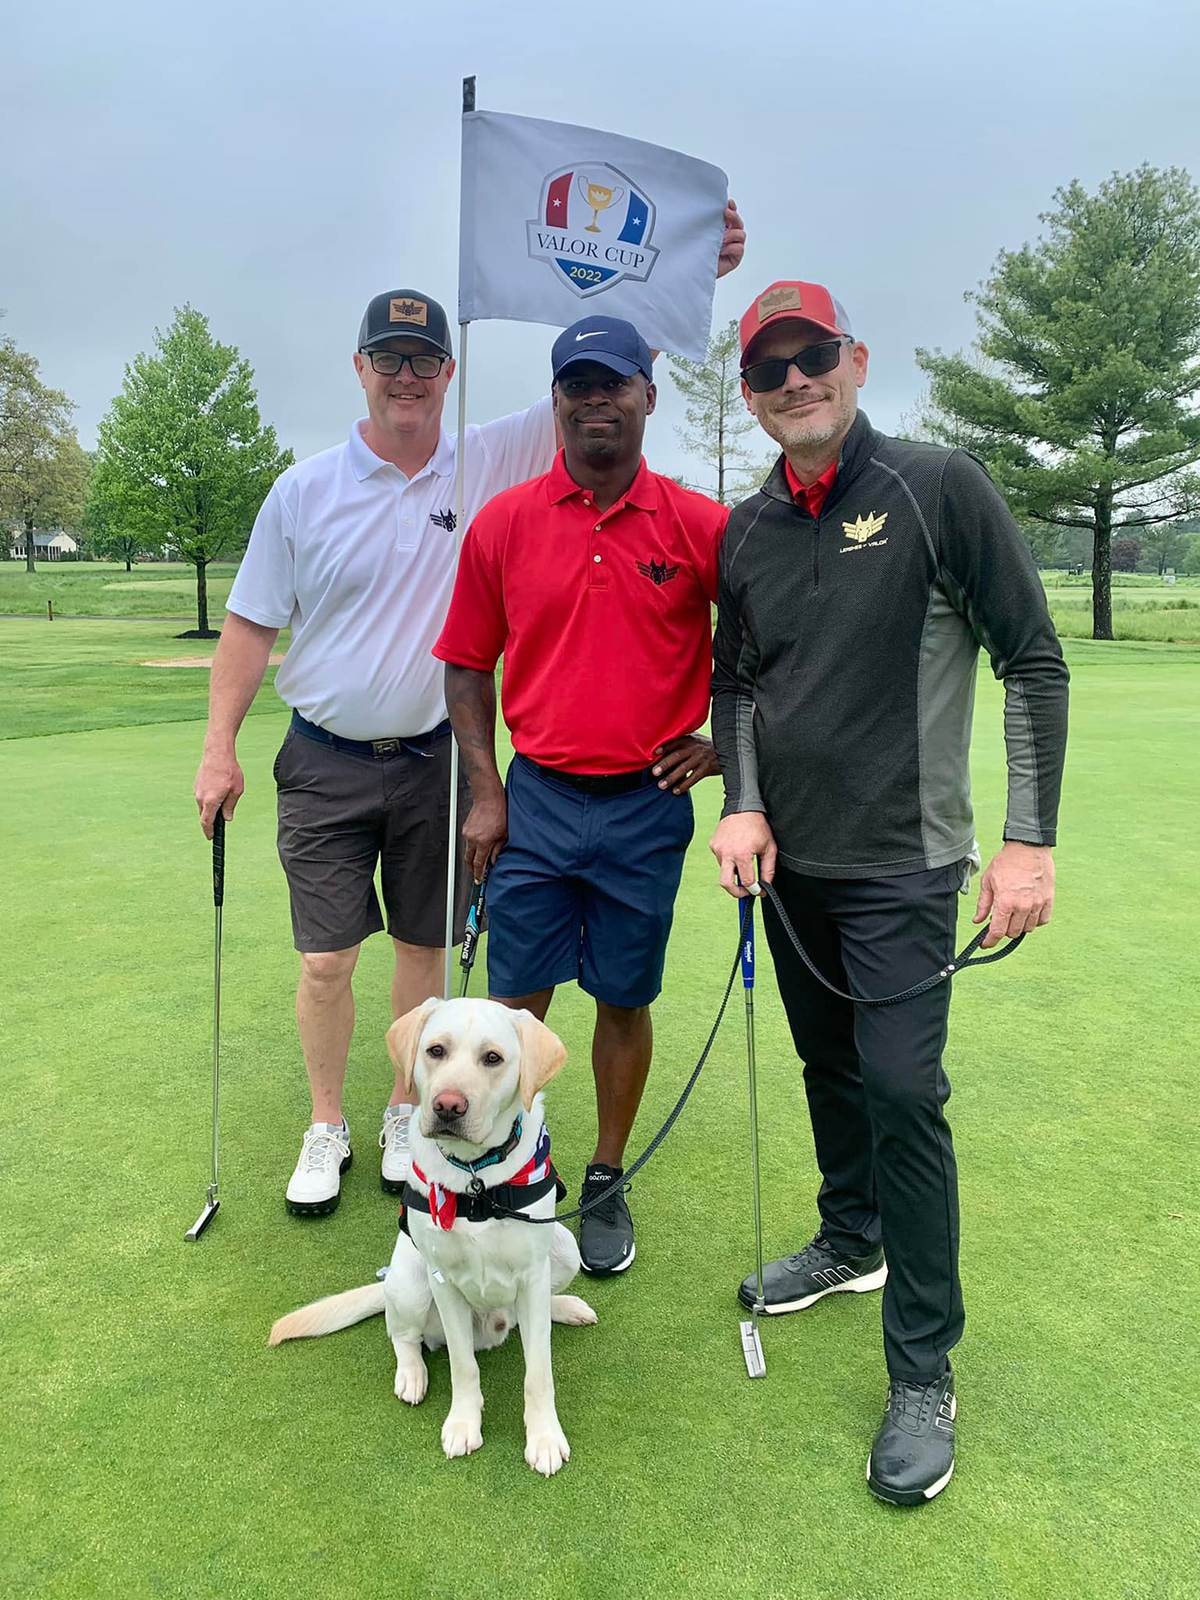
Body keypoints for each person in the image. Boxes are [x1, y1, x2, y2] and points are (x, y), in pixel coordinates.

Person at [191, 208, 744, 1220]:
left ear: (449, 373)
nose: (406, 376)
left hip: (474, 771)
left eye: (424, 361)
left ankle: (452, 1130)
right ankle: (347, 1128)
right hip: (353, 760)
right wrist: (218, 748)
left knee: (453, 960)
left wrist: (684, 268)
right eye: (389, 359)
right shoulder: (312, 492)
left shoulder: (496, 460)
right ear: (361, 367)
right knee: (347, 963)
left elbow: (616, 386)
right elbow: (260, 629)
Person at [709, 280, 1069, 1504]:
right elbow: (736, 687)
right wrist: (741, 801)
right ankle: (849, 1236)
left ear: (855, 360)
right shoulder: (746, 531)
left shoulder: (935, 485)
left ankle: (923, 1367)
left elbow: (1032, 657)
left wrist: (1027, 841)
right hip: (788, 865)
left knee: (905, 1093)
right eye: (769, 369)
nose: (795, 380)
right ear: (750, 395)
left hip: (905, 865)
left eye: (813, 354)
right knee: (830, 1067)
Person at [433, 315, 729, 1277]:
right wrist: (486, 791)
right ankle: (501, 1164)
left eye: (616, 383)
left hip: (647, 804)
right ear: (557, 400)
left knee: (624, 998)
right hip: (538, 800)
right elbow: (467, 665)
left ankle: (603, 1174)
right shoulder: (505, 522)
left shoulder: (698, 524)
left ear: (650, 394)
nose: (597, 400)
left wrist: (725, 746)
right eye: (578, 384)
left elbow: (773, 646)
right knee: (510, 1004)